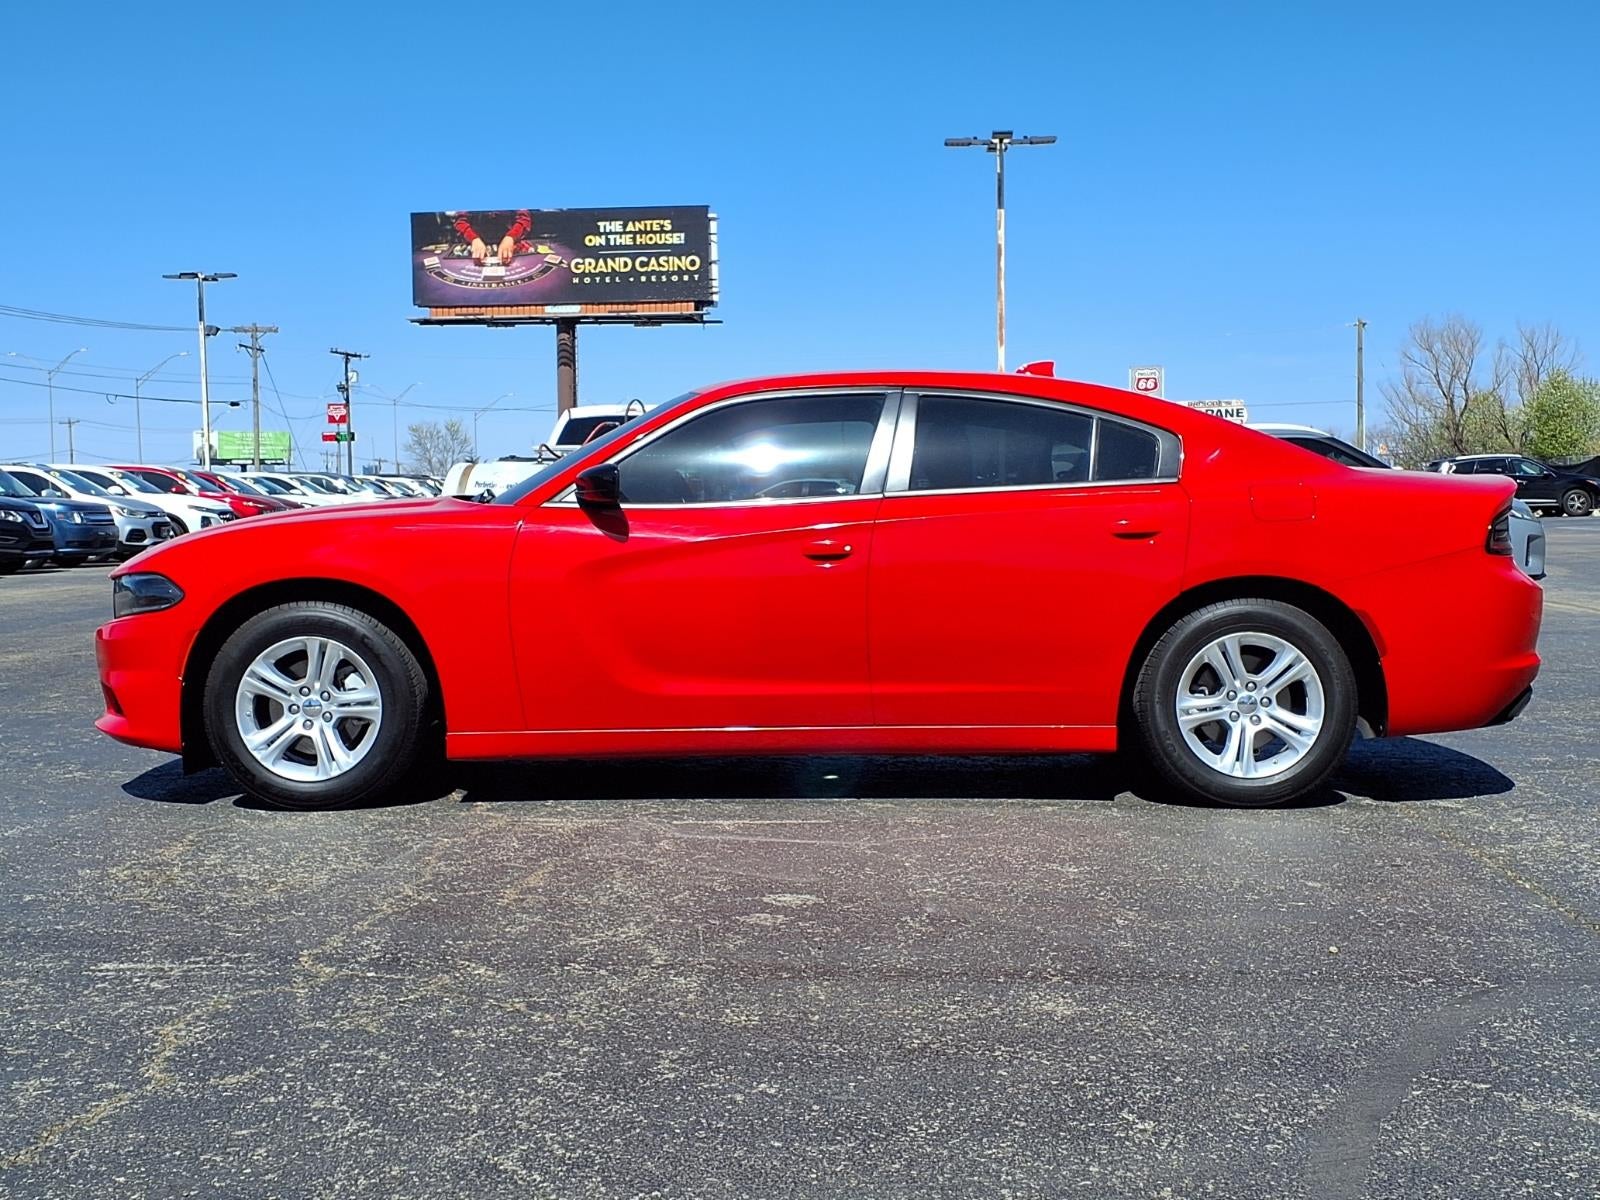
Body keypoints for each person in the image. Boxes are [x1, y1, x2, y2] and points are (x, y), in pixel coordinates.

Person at [448, 210, 533, 265]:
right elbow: (460, 222)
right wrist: (474, 239)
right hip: (475, 246)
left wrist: (510, 238)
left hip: (511, 245)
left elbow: (524, 219)